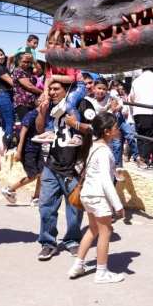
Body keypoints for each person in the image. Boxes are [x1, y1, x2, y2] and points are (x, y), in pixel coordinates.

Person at [68, 112, 126, 283]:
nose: (118, 129)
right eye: (115, 127)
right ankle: (101, 272)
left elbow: (98, 171)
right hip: (98, 196)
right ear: (107, 131)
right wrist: (118, 205)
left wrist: (116, 173)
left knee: (93, 229)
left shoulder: (94, 146)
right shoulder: (103, 151)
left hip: (88, 194)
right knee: (105, 231)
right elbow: (105, 181)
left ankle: (78, 265)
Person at [35, 79, 84, 261]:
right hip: (51, 164)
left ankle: (72, 240)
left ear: (66, 91)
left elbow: (92, 130)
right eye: (50, 89)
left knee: (74, 206)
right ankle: (48, 243)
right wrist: (41, 113)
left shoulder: (80, 104)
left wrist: (76, 126)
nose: (52, 92)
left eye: (56, 89)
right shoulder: (48, 107)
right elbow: (39, 128)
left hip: (72, 165)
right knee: (46, 206)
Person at [129, 67, 153, 166]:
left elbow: (131, 98)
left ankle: (141, 158)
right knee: (149, 136)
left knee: (140, 136)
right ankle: (143, 159)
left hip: (137, 111)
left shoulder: (136, 80)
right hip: (149, 110)